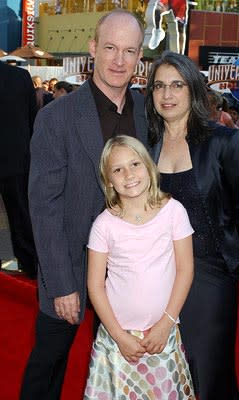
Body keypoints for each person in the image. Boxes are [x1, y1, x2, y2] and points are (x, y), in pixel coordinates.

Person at [20, 9, 147, 400]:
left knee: (119, 370)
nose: (119, 60)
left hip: (127, 274)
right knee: (50, 365)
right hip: (70, 267)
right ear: (93, 48)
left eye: (129, 51)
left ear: (139, 57)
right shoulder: (57, 116)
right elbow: (44, 206)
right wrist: (60, 284)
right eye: (110, 47)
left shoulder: (147, 112)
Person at [145, 51, 239, 400]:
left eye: (176, 85)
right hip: (156, 275)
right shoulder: (146, 145)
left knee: (207, 369)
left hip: (210, 275)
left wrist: (226, 250)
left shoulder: (223, 141)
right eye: (159, 86)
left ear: (193, 90)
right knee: (162, 371)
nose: (167, 95)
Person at [84, 135, 195, 399]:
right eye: (117, 169)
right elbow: (95, 285)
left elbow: (185, 270)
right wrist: (118, 335)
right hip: (117, 339)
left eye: (135, 164)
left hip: (162, 333)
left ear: (148, 166)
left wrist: (166, 324)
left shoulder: (174, 212)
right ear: (108, 180)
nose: (128, 174)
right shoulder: (104, 224)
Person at [0, 62, 38, 279]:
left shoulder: (20, 77)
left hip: (17, 158)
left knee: (21, 214)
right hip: (18, 158)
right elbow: (33, 118)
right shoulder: (20, 76)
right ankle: (31, 265)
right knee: (21, 215)